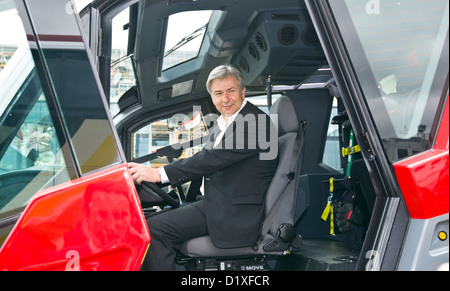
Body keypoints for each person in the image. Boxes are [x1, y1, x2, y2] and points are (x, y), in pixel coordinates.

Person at [128, 65, 279, 271]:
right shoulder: (224, 123)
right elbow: (209, 164)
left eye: (231, 91)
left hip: (231, 213)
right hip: (212, 204)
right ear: (212, 97)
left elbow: (212, 159)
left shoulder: (257, 123)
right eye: (218, 93)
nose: (225, 98)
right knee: (147, 220)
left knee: (154, 231)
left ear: (243, 91)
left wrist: (158, 174)